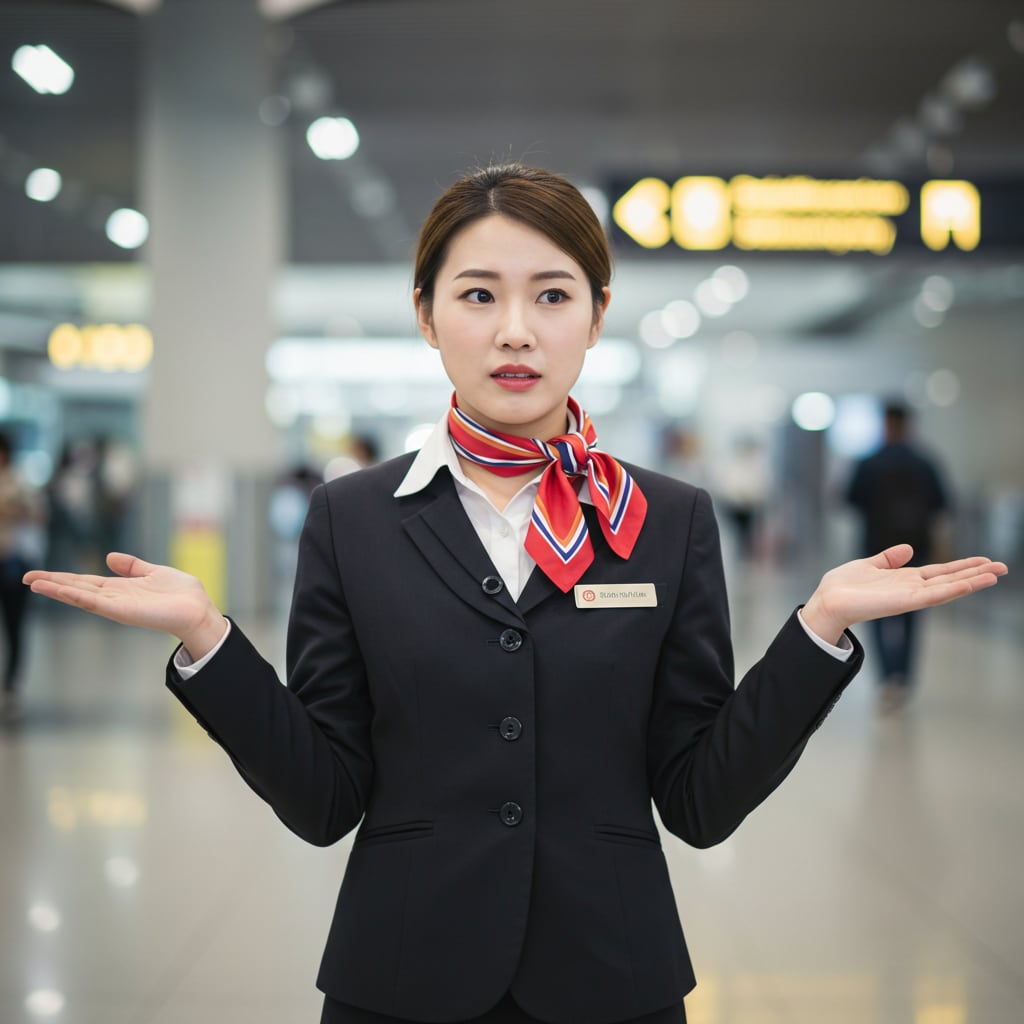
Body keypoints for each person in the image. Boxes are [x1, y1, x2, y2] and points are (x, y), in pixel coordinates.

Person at [23, 164, 1007, 1023]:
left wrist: (818, 628)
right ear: (426, 314)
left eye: (551, 295)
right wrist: (208, 637)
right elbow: (324, 797)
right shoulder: (352, 519)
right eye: (478, 294)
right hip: (400, 975)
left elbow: (700, 799)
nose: (515, 331)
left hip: (613, 975)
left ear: (596, 314)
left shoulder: (666, 520)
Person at [846, 401, 952, 711]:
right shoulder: (925, 463)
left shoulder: (869, 463)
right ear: (909, 424)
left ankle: (886, 677)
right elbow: (943, 502)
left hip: (877, 551)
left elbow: (850, 499)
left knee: (876, 613)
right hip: (916, 549)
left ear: (885, 424)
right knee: (912, 614)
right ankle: (903, 678)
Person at [0, 432, 44, 720]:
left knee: (14, 625)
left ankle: (11, 685)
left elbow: (38, 515)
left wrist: (15, 510)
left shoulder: (19, 482)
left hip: (13, 563)